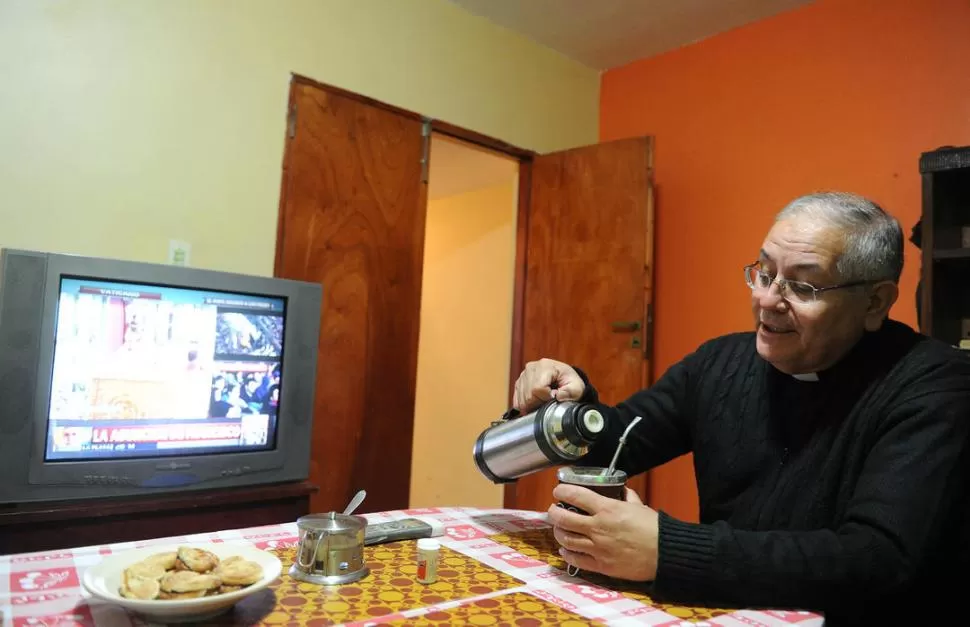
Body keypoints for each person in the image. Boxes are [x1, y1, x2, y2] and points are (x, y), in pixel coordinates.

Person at [512, 191, 970, 625]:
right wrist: (569, 409)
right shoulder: (719, 362)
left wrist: (666, 550)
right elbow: (617, 444)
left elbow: (878, 558)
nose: (766, 300)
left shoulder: (936, 385)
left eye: (803, 286)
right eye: (764, 273)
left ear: (876, 301)